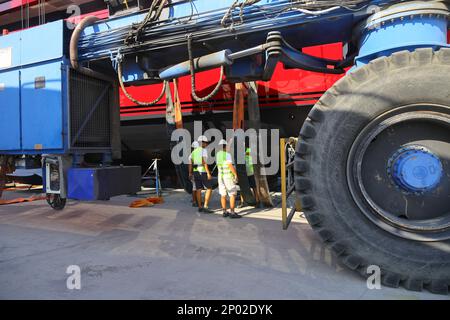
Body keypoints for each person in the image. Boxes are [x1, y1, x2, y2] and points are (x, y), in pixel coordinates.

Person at [189, 135, 214, 213]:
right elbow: (204, 162)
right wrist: (208, 173)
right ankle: (205, 206)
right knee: (209, 188)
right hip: (202, 171)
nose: (206, 144)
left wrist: (190, 173)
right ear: (201, 142)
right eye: (205, 143)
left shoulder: (193, 152)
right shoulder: (203, 150)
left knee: (198, 189)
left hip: (195, 172)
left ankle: (200, 207)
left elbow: (190, 164)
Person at [216, 139, 241, 219]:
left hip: (220, 177)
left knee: (223, 194)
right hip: (228, 177)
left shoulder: (218, 154)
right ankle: (232, 212)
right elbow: (230, 166)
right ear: (225, 146)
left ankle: (224, 211)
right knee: (232, 194)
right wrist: (236, 175)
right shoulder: (227, 155)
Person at [190, 141, 199, 207]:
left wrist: (190, 173)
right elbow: (190, 165)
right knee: (195, 188)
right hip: (196, 173)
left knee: (196, 187)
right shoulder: (195, 154)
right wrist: (190, 173)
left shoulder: (192, 154)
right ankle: (194, 201)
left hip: (195, 172)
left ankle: (196, 200)